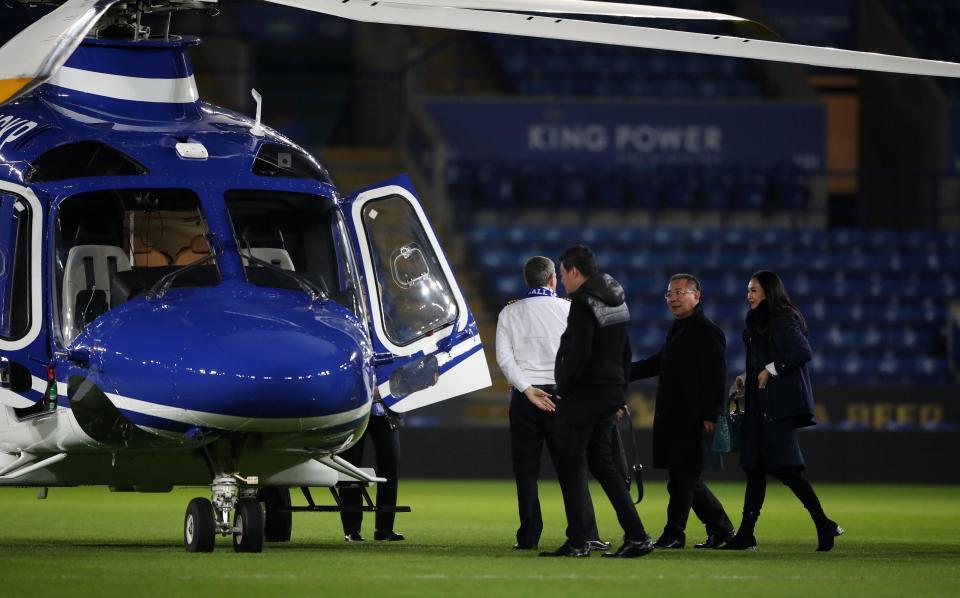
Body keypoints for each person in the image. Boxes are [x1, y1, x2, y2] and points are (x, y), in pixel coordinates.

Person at [540, 244, 653, 559]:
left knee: (571, 463)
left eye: (563, 274)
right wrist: (620, 390)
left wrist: (563, 385)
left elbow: (580, 352)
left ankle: (578, 541)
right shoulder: (616, 299)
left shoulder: (583, 303)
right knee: (603, 464)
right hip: (609, 392)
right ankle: (637, 535)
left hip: (585, 395)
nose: (562, 281)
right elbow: (626, 351)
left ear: (575, 271)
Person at [723, 270, 843, 552]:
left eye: (753, 290)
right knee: (754, 470)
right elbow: (762, 361)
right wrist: (747, 377)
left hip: (777, 409)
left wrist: (771, 369)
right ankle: (746, 534)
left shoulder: (784, 317)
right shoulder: (757, 321)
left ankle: (822, 523)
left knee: (788, 471)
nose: (748, 295)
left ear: (768, 291)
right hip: (759, 407)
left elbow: (802, 352)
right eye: (748, 290)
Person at [495, 256, 610, 552]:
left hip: (524, 398)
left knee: (526, 470)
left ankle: (529, 536)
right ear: (552, 280)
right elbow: (583, 355)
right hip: (563, 397)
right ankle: (586, 532)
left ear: (526, 280)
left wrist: (527, 389)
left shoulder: (509, 313)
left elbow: (504, 359)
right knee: (573, 467)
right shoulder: (570, 309)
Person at [630, 273, 735, 549]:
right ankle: (721, 529)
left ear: (696, 296)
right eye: (669, 294)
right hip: (675, 417)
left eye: (679, 293)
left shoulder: (707, 330)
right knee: (685, 478)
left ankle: (675, 533)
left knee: (683, 480)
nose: (673, 299)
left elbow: (717, 377)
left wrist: (712, 414)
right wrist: (620, 372)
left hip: (694, 418)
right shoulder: (680, 327)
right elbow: (658, 363)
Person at [340, 395, 405, 542]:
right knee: (350, 467)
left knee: (391, 463)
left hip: (384, 411)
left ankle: (384, 528)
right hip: (354, 409)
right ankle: (351, 529)